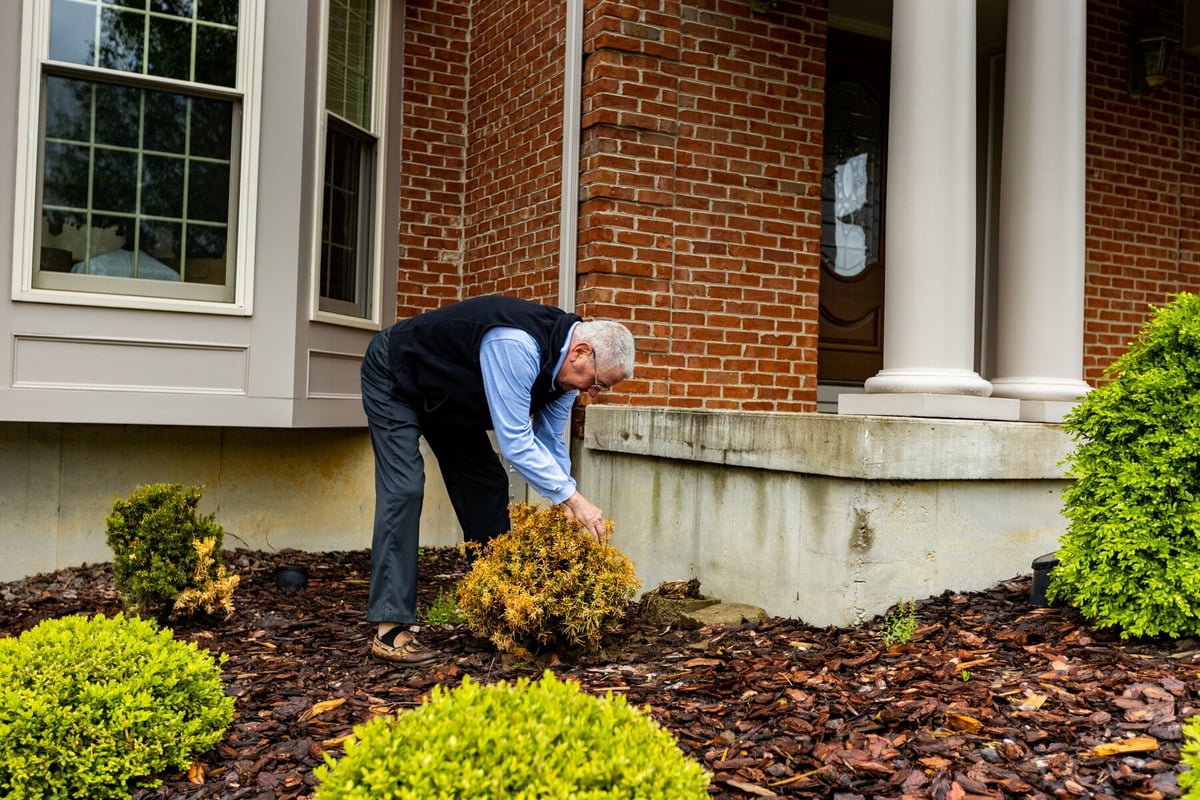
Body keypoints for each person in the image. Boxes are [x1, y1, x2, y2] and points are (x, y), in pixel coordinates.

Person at [359, 294, 636, 665]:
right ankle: (389, 629)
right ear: (581, 352)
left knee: (487, 483)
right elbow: (516, 442)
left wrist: (564, 504)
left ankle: (495, 609)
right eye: (597, 383)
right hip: (396, 377)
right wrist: (574, 498)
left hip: (450, 398)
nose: (593, 393)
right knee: (404, 487)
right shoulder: (517, 344)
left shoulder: (566, 377)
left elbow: (551, 443)